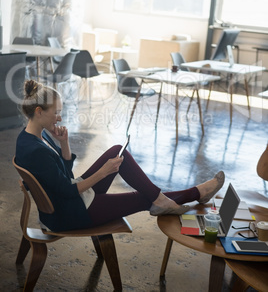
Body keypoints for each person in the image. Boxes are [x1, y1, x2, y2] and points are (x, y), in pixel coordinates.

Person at [15, 80, 225, 232]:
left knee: (117, 150)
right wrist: (104, 172)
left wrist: (64, 143)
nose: (60, 117)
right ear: (40, 111)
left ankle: (168, 198)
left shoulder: (33, 138)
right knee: (146, 198)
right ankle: (194, 193)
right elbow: (68, 191)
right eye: (56, 112)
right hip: (70, 213)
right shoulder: (37, 151)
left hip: (70, 202)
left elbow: (63, 174)